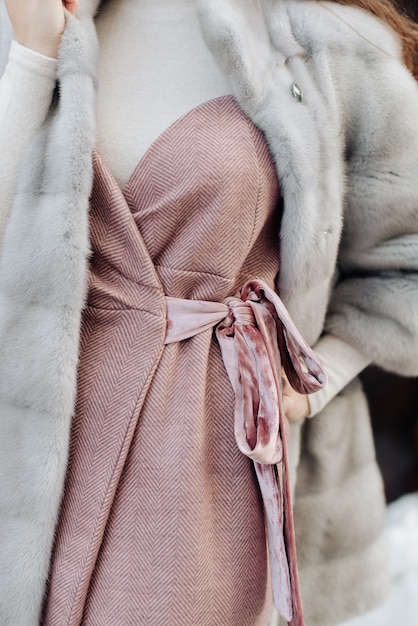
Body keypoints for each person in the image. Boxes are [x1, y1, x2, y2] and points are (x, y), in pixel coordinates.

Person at [1, 1, 418, 625]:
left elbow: (405, 260)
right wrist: (34, 54)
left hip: (201, 450)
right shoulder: (50, 17)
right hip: (35, 439)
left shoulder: (335, 44)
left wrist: (312, 384)